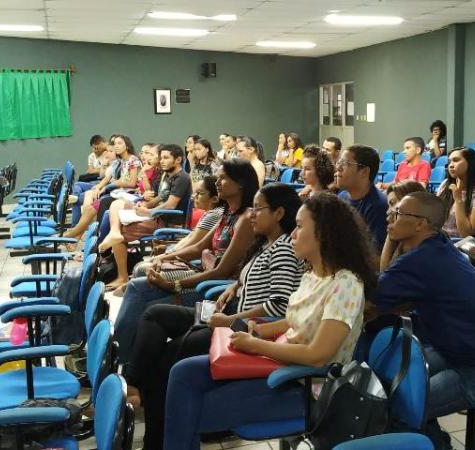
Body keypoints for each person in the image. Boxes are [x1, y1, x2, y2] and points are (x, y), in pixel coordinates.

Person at [162, 192, 377, 450]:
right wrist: (260, 330)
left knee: (194, 409)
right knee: (183, 373)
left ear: (324, 233)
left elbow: (318, 356)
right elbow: (293, 320)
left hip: (309, 386)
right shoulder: (314, 274)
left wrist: (256, 346)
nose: (293, 235)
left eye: (299, 227)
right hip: (281, 364)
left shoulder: (345, 284)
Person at [125, 183, 304, 449]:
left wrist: (231, 320)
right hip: (232, 316)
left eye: (258, 208)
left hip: (245, 329)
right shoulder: (267, 244)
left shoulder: (285, 249)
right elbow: (257, 281)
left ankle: (153, 433)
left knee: (163, 364)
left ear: (279, 213)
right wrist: (235, 287)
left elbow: (279, 305)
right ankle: (133, 382)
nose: (252, 214)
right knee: (155, 314)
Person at [374, 191, 475, 450]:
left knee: (402, 405)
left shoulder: (424, 259)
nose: (390, 218)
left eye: (397, 214)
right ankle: (436, 441)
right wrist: (393, 232)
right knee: (394, 382)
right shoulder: (436, 245)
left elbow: (373, 299)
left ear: (421, 224)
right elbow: (389, 282)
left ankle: (435, 444)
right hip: (457, 354)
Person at [114, 159, 259, 363]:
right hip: (202, 274)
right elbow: (199, 247)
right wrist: (164, 257)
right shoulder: (227, 213)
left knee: (143, 297)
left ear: (241, 183)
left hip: (216, 288)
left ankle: (121, 358)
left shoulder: (246, 219)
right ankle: (122, 356)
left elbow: (222, 271)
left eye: (223, 178)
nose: (217, 182)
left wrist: (174, 284)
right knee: (138, 287)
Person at [98, 144, 192, 290]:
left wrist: (148, 212)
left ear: (178, 159)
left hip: (167, 223)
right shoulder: (167, 175)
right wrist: (144, 205)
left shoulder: (182, 178)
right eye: (161, 157)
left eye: (166, 158)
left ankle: (122, 277)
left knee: (123, 231)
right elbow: (160, 198)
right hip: (156, 216)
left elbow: (171, 205)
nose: (162, 161)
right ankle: (114, 232)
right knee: (117, 204)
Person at [64, 134, 141, 243]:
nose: (116, 146)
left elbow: (132, 183)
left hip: (127, 196)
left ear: (127, 146)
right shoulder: (119, 161)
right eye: (115, 144)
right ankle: (74, 236)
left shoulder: (133, 160)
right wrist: (100, 187)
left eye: (120, 143)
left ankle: (76, 236)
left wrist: (114, 184)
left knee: (99, 203)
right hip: (117, 193)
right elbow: (107, 178)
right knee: (91, 207)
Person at [336, 144, 387, 250]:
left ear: (364, 172)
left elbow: (374, 253)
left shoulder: (378, 206)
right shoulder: (342, 197)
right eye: (339, 162)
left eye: (345, 163)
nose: (338, 168)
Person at [437, 147, 475, 238]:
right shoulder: (445, 185)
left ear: (470, 164)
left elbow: (465, 234)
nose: (451, 165)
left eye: (456, 160)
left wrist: (458, 200)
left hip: (460, 245)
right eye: (449, 162)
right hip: (439, 239)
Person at [379, 181, 426, 271]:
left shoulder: (425, 244)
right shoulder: (405, 235)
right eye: (388, 206)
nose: (388, 212)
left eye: (392, 203)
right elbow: (384, 272)